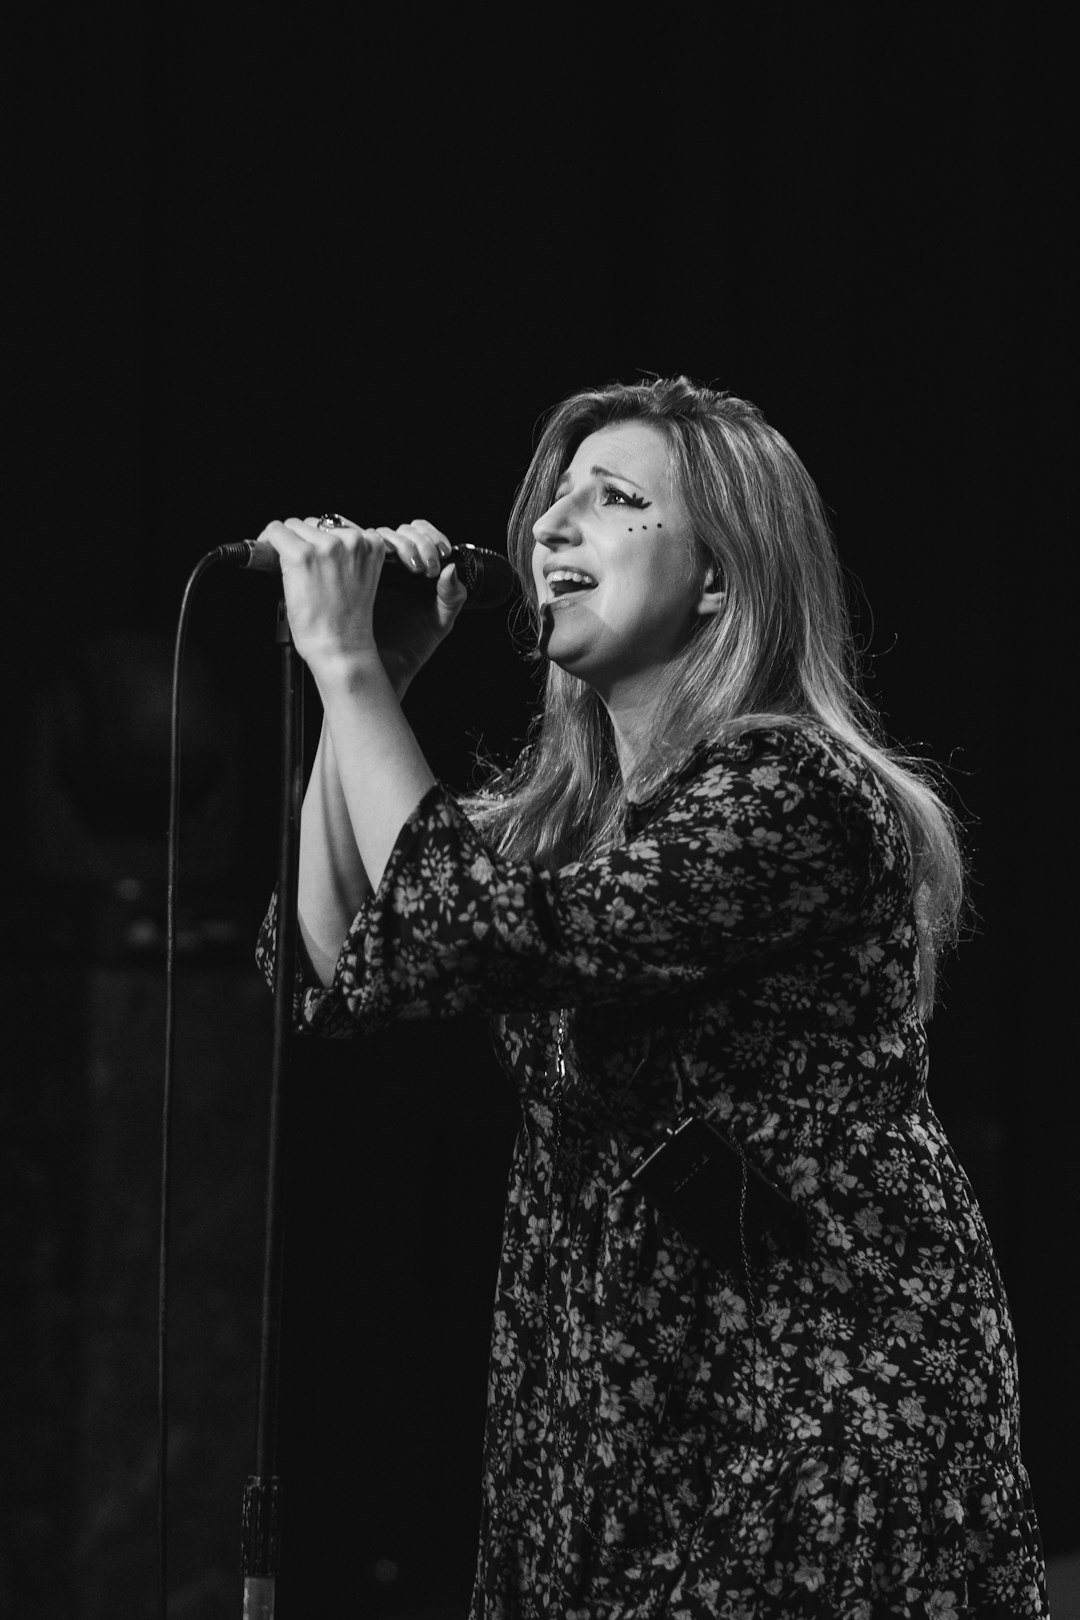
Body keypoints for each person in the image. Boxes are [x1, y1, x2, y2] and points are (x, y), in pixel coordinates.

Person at [255, 377, 1048, 1617]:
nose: (552, 526)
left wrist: (348, 664)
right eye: (553, 497)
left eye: (614, 499)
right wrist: (378, 682)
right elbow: (338, 956)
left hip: (804, 1406)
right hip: (614, 1399)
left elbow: (474, 928)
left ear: (723, 576)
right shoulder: (567, 823)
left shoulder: (796, 789)